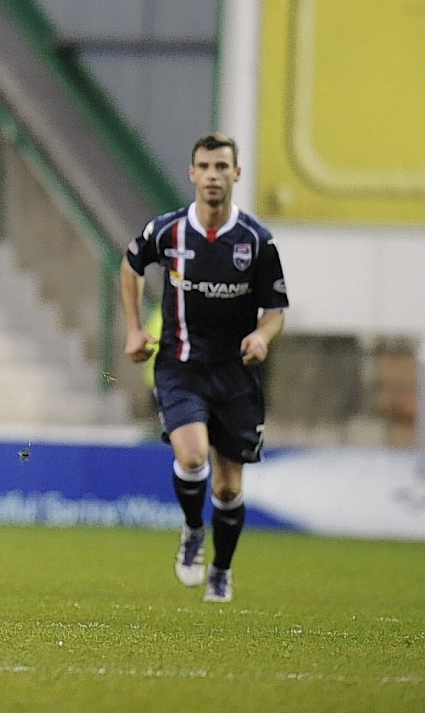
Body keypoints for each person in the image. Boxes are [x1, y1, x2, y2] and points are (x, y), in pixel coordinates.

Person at [119, 132, 289, 604]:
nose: (213, 175)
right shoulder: (169, 231)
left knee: (229, 483)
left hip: (236, 376)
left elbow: (275, 308)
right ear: (192, 173)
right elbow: (130, 266)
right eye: (205, 167)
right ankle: (194, 530)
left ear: (236, 174)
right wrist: (134, 329)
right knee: (192, 456)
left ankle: (222, 569)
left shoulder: (257, 241)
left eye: (222, 167)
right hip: (180, 366)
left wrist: (262, 335)